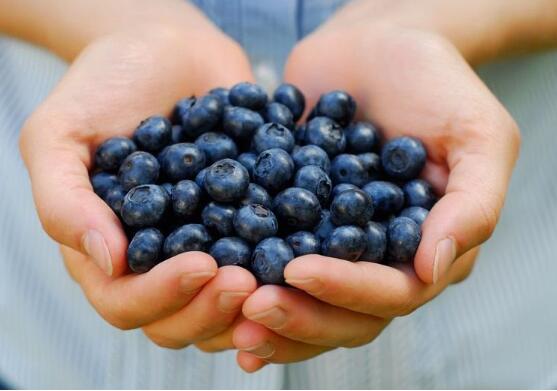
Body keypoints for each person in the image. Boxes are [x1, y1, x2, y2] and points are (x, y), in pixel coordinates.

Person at [0, 0, 556, 388]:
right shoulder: (176, 175)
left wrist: (436, 15)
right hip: (58, 348)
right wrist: (119, 17)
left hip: (497, 348)